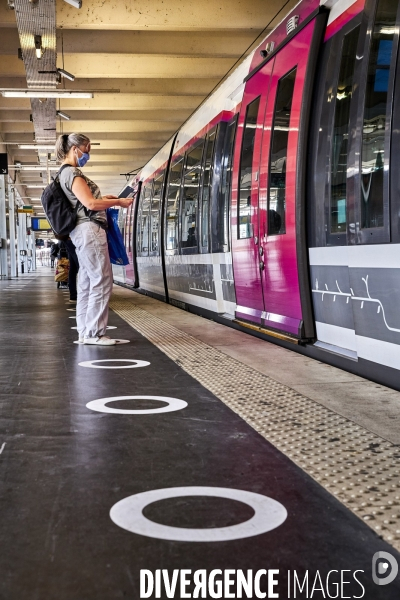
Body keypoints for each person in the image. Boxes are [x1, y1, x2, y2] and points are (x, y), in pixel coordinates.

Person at [55, 132, 133, 346]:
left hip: (81, 233)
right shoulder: (73, 173)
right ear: (75, 149)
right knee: (101, 281)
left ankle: (85, 332)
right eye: (86, 150)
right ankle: (96, 334)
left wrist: (103, 199)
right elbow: (90, 205)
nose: (87, 155)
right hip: (89, 230)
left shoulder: (64, 174)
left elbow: (85, 202)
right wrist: (117, 202)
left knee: (87, 283)